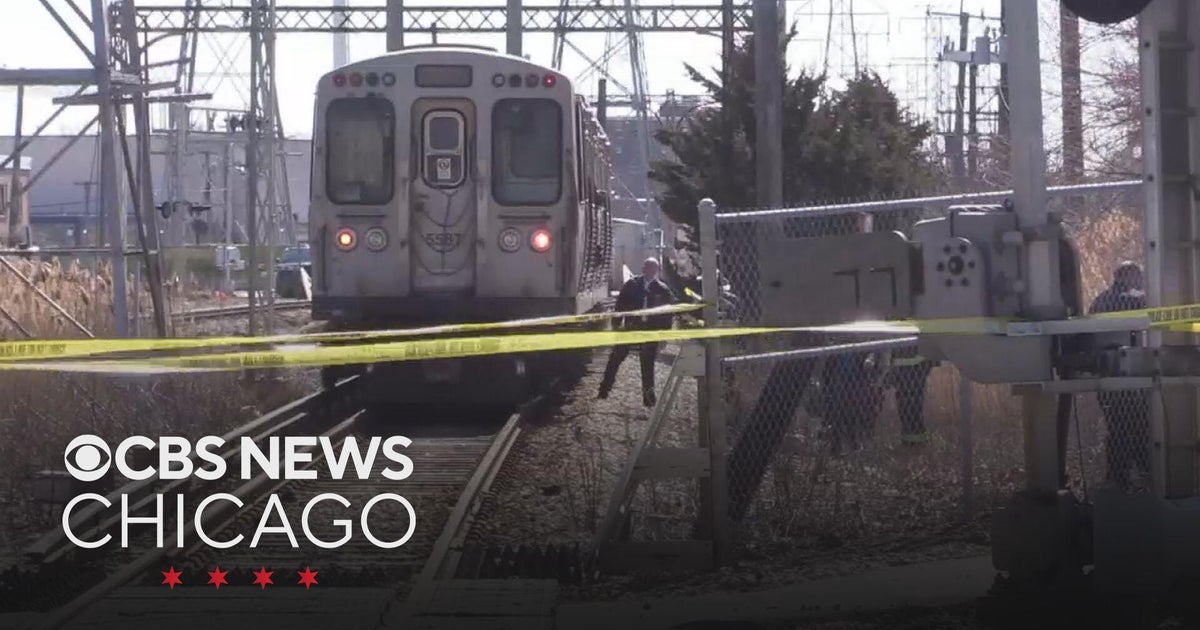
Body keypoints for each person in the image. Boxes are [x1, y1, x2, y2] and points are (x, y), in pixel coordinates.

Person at [1089, 261, 1151, 489]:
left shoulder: (1102, 300)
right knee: (1130, 426)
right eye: (1135, 276)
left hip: (1117, 373)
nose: (1140, 281)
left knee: (1127, 427)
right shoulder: (1117, 301)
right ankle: (1132, 475)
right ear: (1123, 277)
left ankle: (1124, 477)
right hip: (1121, 372)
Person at [598, 257, 679, 407]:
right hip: (631, 327)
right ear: (643, 269)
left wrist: (664, 335)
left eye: (653, 269)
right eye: (647, 268)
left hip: (650, 330)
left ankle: (648, 398)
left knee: (647, 364)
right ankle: (604, 389)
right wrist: (616, 326)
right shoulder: (631, 285)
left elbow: (667, 314)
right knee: (615, 358)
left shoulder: (662, 290)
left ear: (656, 271)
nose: (650, 271)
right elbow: (620, 306)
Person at [885, 345, 934, 445]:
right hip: (913, 363)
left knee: (909, 402)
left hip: (909, 363)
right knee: (911, 401)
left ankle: (913, 438)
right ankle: (913, 437)